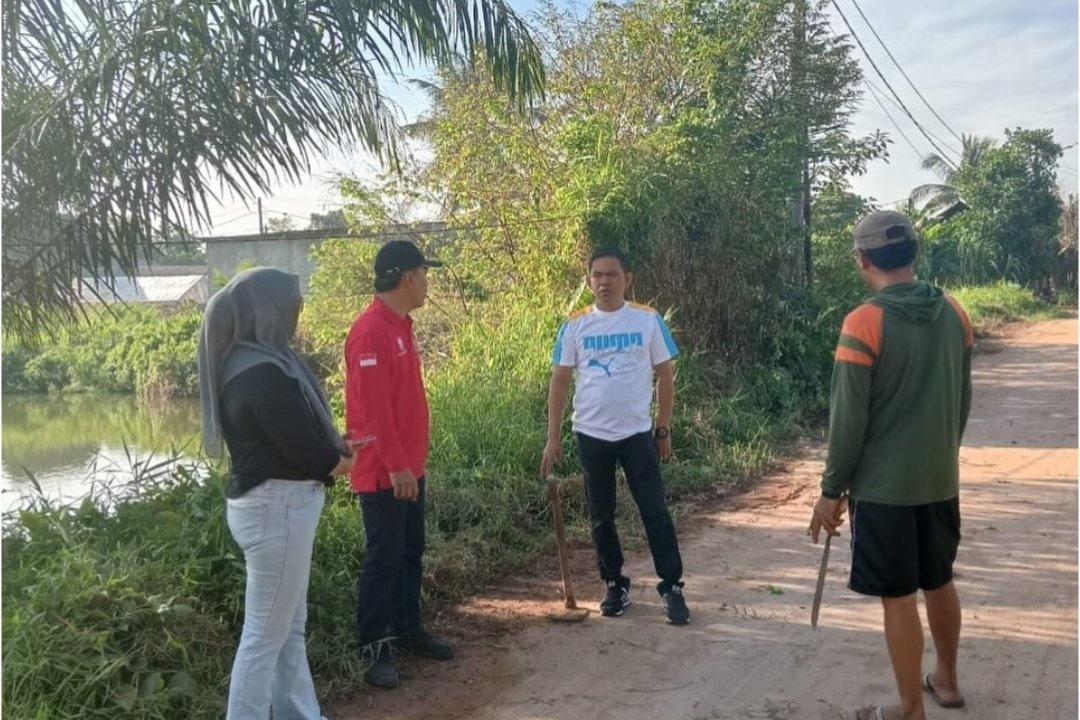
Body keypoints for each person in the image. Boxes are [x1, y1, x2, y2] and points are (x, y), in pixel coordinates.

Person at [808, 211, 973, 720]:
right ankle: (946, 681)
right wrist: (940, 455)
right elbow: (962, 401)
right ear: (914, 253)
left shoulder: (863, 322)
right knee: (939, 580)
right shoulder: (954, 312)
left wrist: (831, 490)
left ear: (862, 259)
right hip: (939, 480)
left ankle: (909, 709)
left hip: (884, 491)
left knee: (899, 598)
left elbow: (848, 421)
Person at [198, 267, 356, 720]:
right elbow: (307, 452)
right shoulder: (265, 373)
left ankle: (299, 714)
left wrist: (334, 448)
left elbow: (289, 439)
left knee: (285, 629)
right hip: (278, 508)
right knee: (265, 636)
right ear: (270, 309)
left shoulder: (244, 363)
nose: (298, 311)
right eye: (293, 303)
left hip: (269, 505)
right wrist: (343, 461)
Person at [541, 246, 691, 625]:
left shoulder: (647, 320)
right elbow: (560, 381)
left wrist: (663, 427)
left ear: (628, 279)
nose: (604, 282)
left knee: (654, 510)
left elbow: (665, 375)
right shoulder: (575, 324)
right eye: (597, 275)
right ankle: (614, 584)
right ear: (589, 280)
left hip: (637, 434)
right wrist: (553, 437)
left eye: (612, 274)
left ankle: (671, 586)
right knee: (601, 516)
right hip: (591, 435)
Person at [344, 240, 453, 690]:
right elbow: (373, 411)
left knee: (410, 552)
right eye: (424, 274)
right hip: (384, 472)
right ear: (408, 277)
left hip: (408, 467)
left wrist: (410, 464)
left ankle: (409, 630)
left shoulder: (401, 326)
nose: (427, 282)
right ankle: (375, 647)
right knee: (384, 559)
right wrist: (396, 466)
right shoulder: (370, 332)